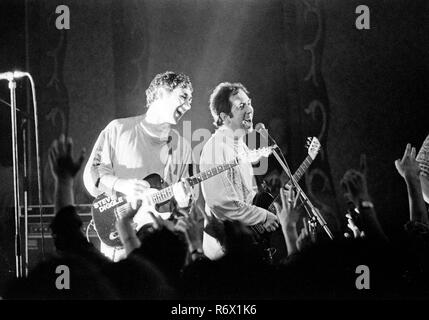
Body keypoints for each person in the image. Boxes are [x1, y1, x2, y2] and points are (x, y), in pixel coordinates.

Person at [83, 71, 194, 260]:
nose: (188, 105)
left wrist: (184, 202)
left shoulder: (182, 147)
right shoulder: (118, 129)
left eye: (190, 100)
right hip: (119, 250)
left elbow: (185, 211)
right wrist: (121, 185)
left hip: (160, 251)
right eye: (183, 96)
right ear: (160, 93)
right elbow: (92, 176)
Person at [199, 82, 279, 259]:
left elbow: (247, 196)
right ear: (225, 117)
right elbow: (221, 203)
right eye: (241, 106)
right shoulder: (216, 148)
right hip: (225, 251)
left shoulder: (239, 146)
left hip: (244, 242)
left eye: (249, 102)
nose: (250, 109)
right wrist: (262, 216)